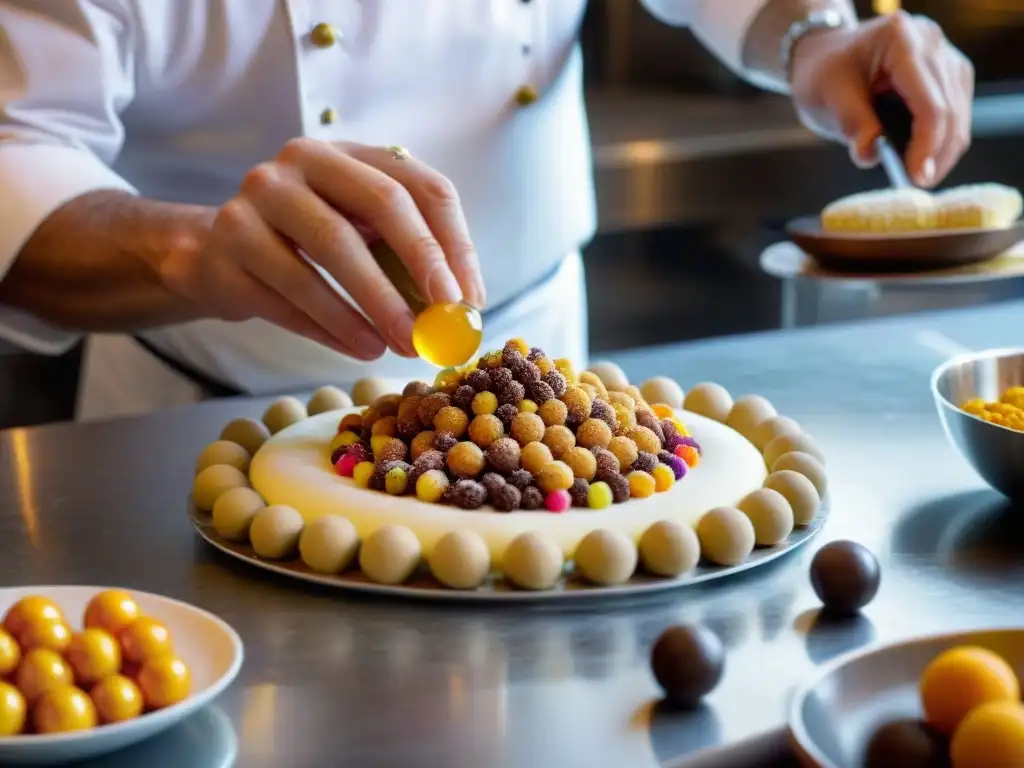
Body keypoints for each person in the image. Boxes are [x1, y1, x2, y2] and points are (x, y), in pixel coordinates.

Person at [0, 1, 973, 420]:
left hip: (539, 372)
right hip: (206, 402)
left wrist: (813, 38)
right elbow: (17, 148)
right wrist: (195, 250)